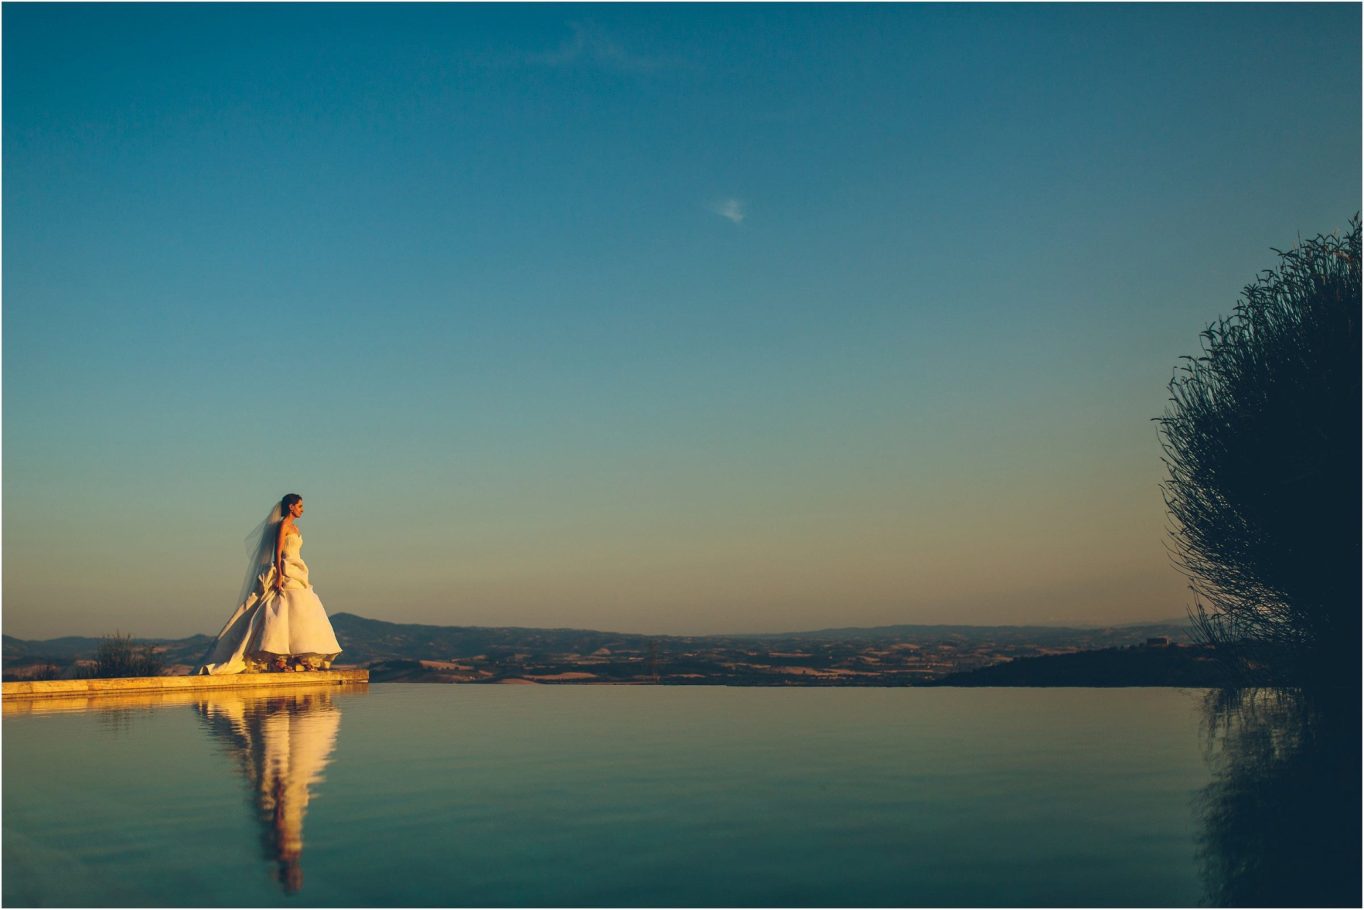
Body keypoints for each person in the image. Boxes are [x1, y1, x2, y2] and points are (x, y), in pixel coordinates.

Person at [197, 494, 343, 674]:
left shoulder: (296, 529)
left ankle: (301, 655)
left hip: (298, 571)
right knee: (281, 611)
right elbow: (278, 551)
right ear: (291, 507)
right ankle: (278, 658)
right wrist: (280, 575)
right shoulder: (283, 526)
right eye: (299, 506)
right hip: (286, 569)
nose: (302, 509)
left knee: (302, 611)